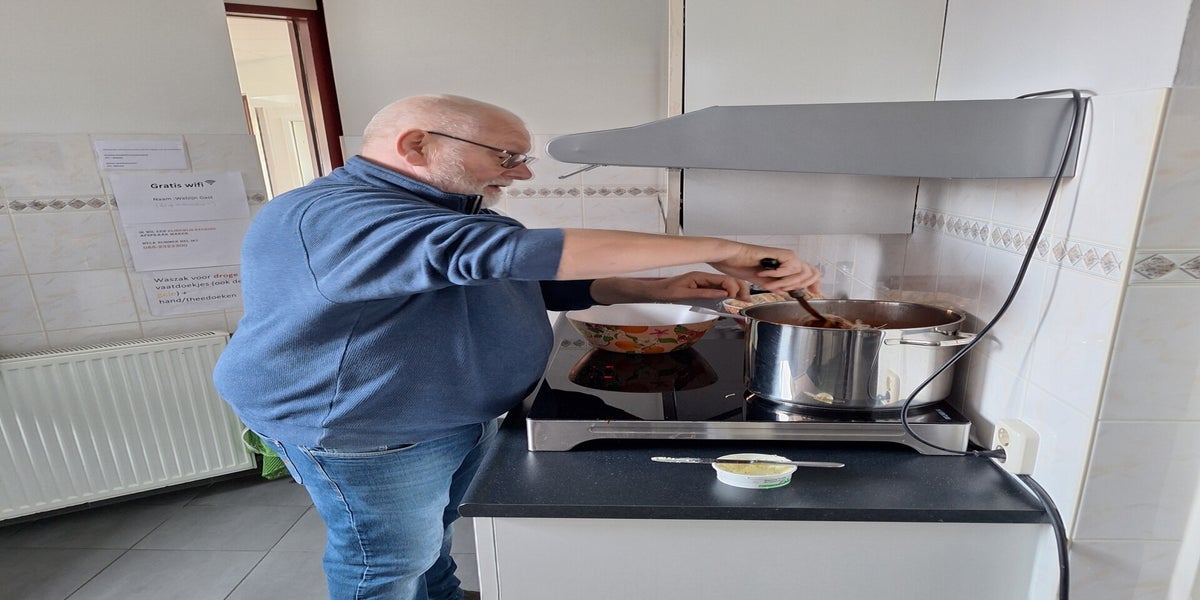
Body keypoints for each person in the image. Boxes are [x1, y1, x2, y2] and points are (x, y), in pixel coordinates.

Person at [212, 94, 820, 600]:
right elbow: (503, 254)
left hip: (450, 412)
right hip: (368, 425)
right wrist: (724, 249)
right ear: (416, 144)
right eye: (506, 156)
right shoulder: (334, 215)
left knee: (433, 535)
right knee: (387, 560)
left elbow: (519, 277)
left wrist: (651, 287)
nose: (522, 173)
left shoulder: (450, 211)